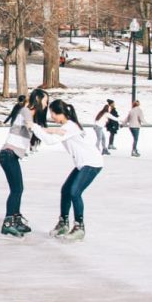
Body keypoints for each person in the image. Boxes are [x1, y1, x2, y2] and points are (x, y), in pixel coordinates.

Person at [30, 100, 104, 241]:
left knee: (74, 192)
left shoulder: (70, 126)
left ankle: (79, 227)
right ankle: (63, 223)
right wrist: (44, 129)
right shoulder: (68, 125)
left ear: (61, 113)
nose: (51, 116)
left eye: (52, 113)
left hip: (92, 163)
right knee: (65, 190)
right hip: (83, 164)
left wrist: (34, 127)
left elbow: (51, 140)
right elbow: (57, 131)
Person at [0, 89, 48, 239]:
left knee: (18, 188)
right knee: (17, 189)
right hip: (8, 154)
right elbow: (30, 126)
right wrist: (55, 132)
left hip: (11, 155)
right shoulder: (26, 111)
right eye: (45, 101)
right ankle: (8, 223)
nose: (46, 104)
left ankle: (16, 218)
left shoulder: (30, 114)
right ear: (38, 100)